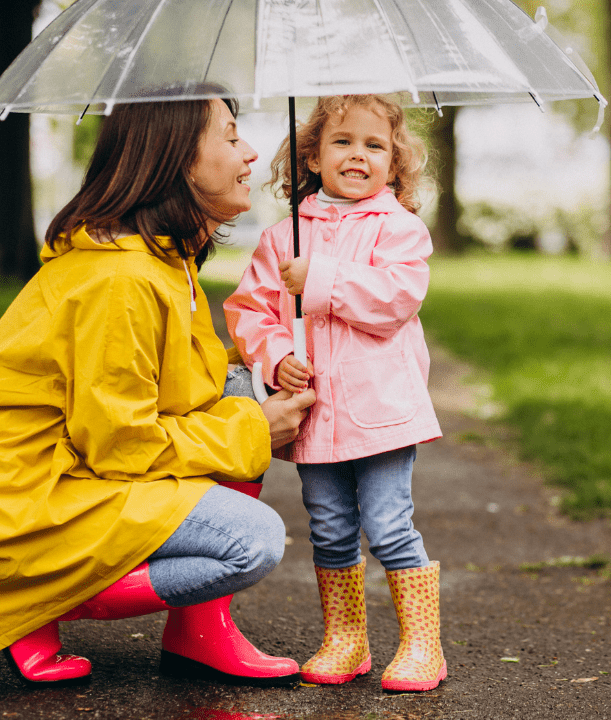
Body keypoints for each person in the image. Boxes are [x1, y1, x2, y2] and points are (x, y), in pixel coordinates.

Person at [0, 94, 315, 688]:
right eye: (232, 136)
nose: (251, 152)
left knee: (243, 387)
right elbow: (121, 444)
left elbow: (187, 392)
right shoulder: (121, 279)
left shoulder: (162, 259)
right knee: (252, 541)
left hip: (75, 463)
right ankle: (34, 600)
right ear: (181, 160)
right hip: (27, 498)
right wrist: (255, 430)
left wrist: (271, 369)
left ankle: (198, 633)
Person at [224, 94, 446, 692]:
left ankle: (423, 645)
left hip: (382, 413)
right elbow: (251, 310)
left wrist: (319, 279)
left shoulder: (400, 230)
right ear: (312, 157)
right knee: (329, 526)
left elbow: (394, 299)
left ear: (395, 165)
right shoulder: (283, 235)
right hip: (317, 416)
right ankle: (346, 639)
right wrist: (277, 356)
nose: (358, 155)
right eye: (342, 142)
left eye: (375, 146)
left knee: (389, 522)